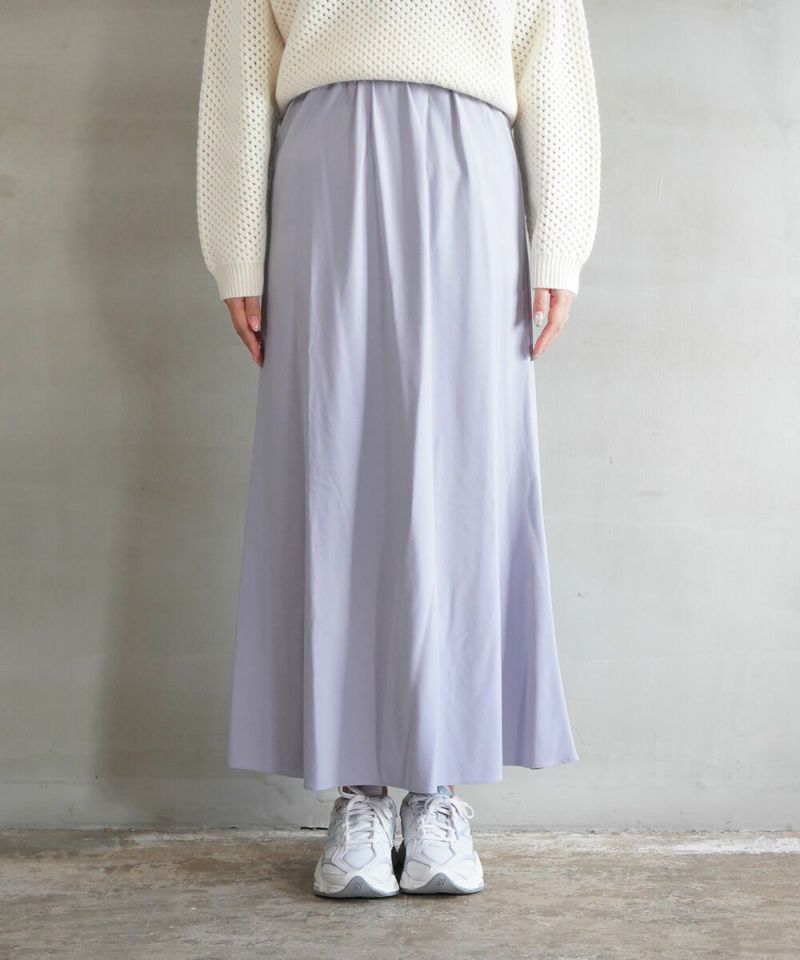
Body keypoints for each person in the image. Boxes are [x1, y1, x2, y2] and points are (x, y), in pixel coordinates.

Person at [196, 0, 601, 899]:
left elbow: (553, 66)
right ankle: (360, 792)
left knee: (461, 475)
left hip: (472, 173)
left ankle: (438, 790)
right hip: (324, 174)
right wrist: (236, 249)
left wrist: (561, 243)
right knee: (335, 471)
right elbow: (237, 76)